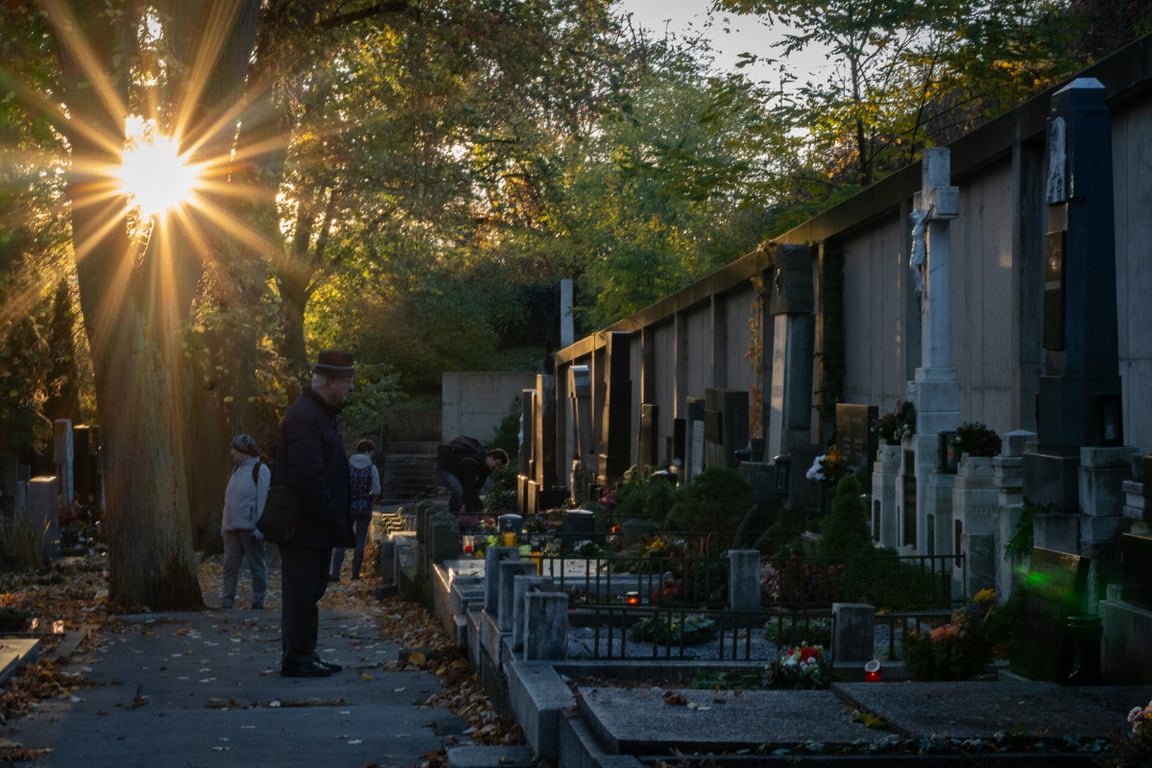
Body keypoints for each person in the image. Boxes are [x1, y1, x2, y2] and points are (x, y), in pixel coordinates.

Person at [270, 349, 356, 678]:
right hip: (303, 526)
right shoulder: (306, 417)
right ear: (330, 381)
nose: (350, 388)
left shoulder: (317, 415)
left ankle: (305, 652)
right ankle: (296, 658)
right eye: (347, 381)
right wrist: (332, 515)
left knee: (311, 591)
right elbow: (308, 476)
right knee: (301, 592)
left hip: (312, 526)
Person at [219, 433, 269, 610]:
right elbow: (229, 499)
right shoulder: (236, 469)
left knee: (256, 566)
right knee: (230, 567)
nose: (232, 452)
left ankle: (258, 600)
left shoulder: (260, 470)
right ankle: (227, 600)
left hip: (250, 529)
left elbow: (263, 499)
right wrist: (224, 524)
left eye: (235, 449)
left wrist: (260, 527)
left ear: (244, 451)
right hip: (231, 528)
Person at [329, 438, 381, 582]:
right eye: (371, 453)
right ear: (367, 452)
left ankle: (335, 572)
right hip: (364, 508)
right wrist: (369, 496)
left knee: (341, 541)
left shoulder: (347, 466)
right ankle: (355, 574)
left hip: (348, 508)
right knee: (360, 541)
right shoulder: (372, 468)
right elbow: (376, 490)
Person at [434, 436, 509, 516]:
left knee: (461, 493)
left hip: (459, 471)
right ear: (491, 457)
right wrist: (479, 510)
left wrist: (474, 508)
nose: (496, 468)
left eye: (499, 466)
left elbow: (475, 489)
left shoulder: (485, 469)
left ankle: (457, 514)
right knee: (458, 490)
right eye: (497, 464)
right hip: (446, 468)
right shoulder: (472, 461)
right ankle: (453, 516)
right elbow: (469, 486)